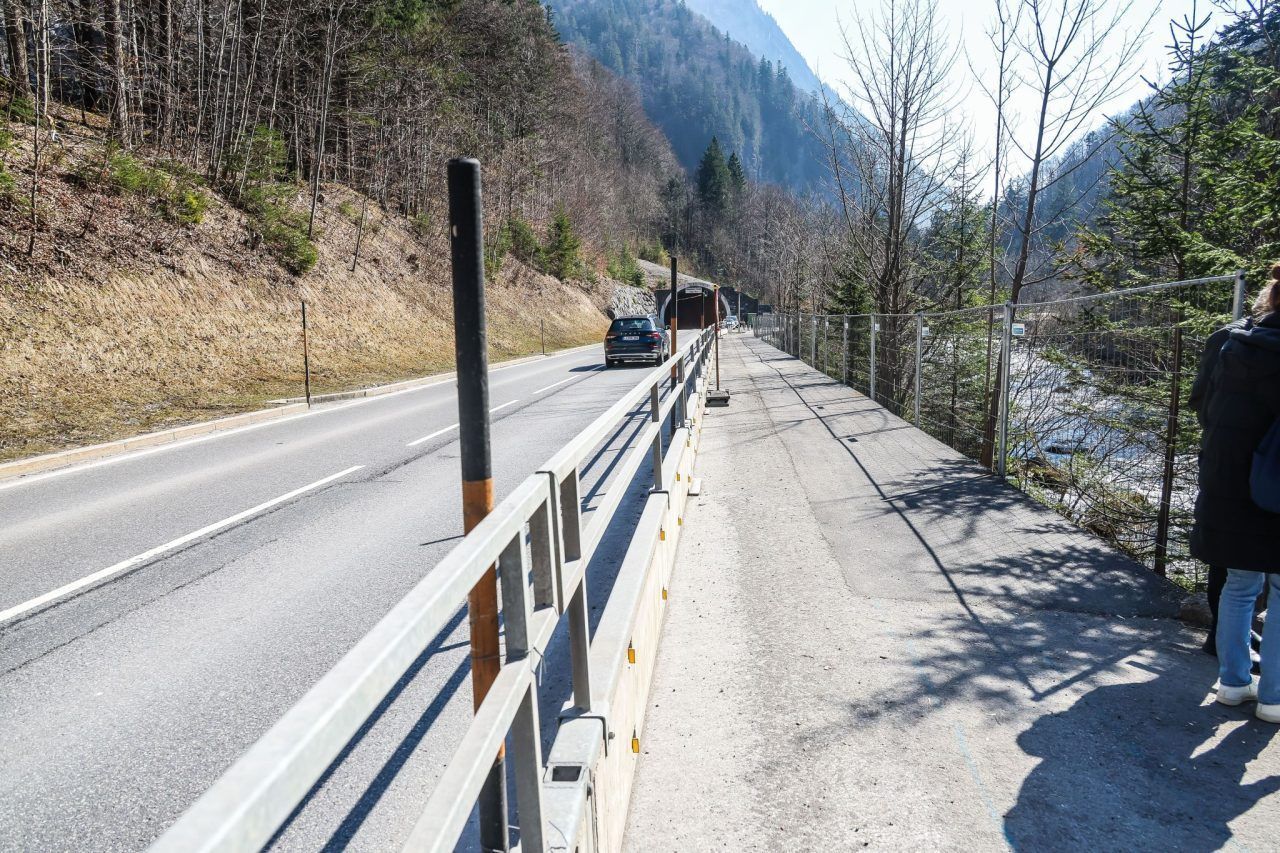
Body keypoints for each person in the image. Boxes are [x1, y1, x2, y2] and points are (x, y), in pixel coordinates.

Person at [1193, 262, 1280, 722]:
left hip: (1230, 477)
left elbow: (1204, 406)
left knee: (1239, 580)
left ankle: (1232, 679)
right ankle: (1275, 696)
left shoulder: (1231, 340)